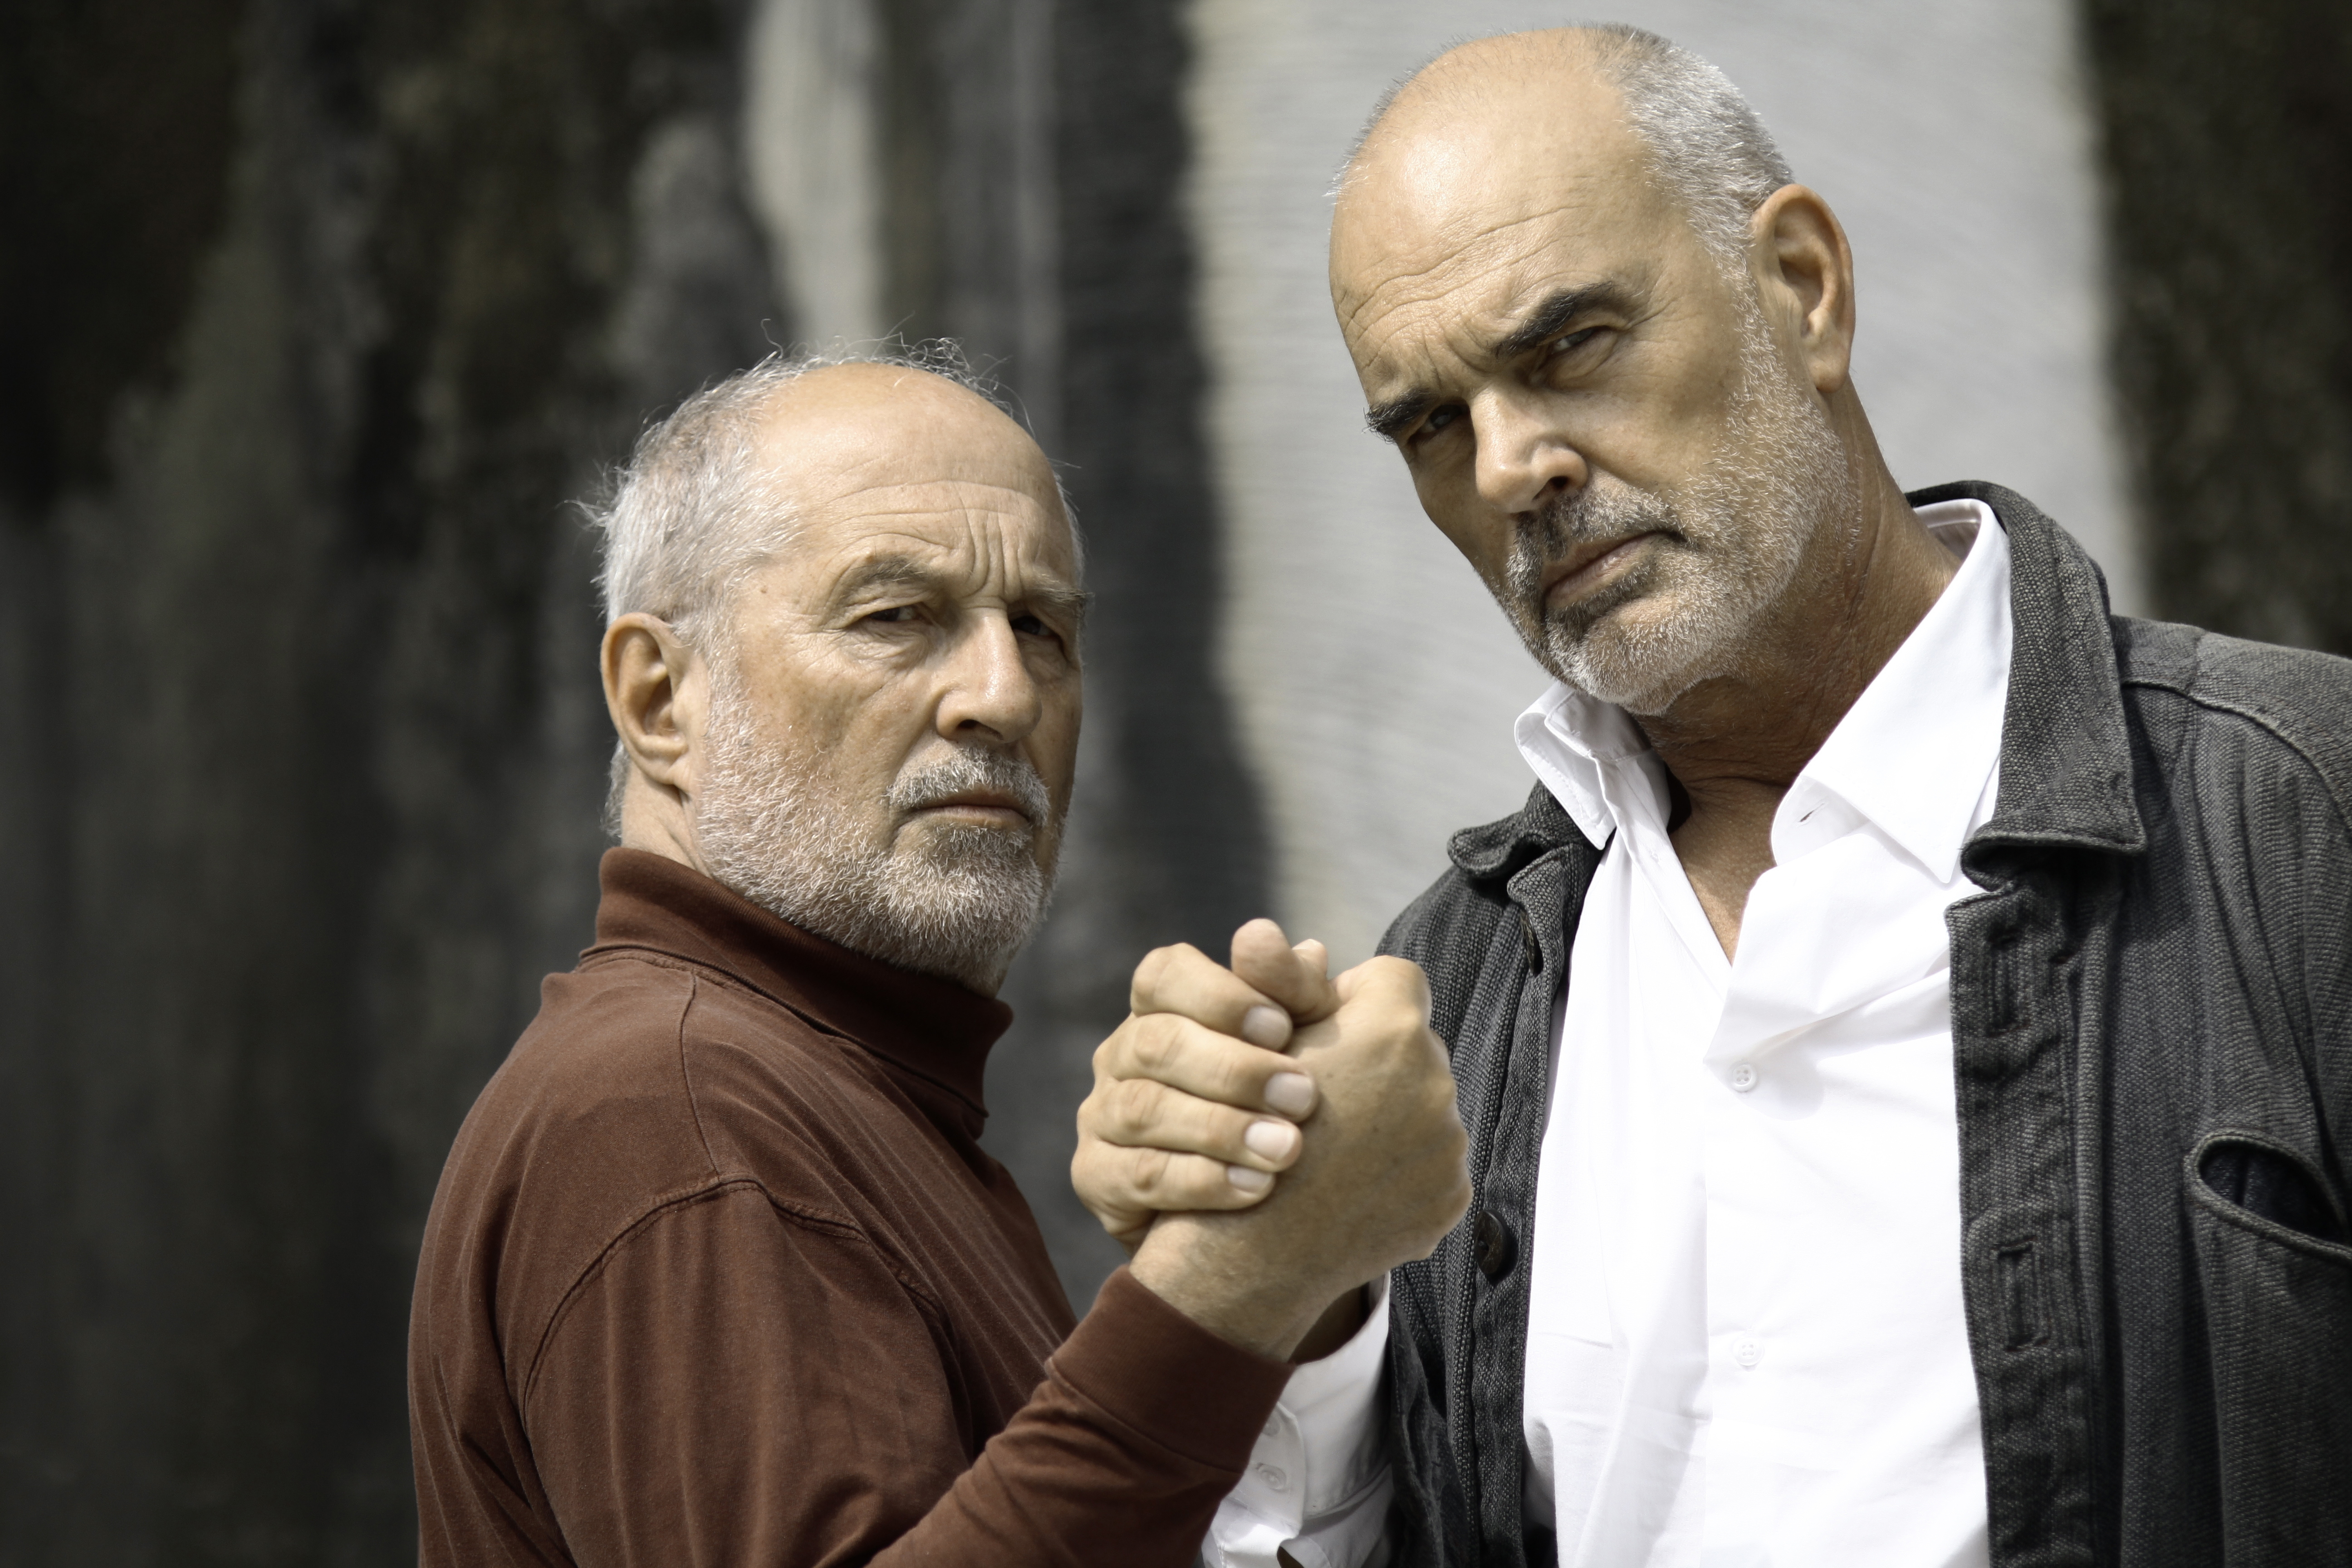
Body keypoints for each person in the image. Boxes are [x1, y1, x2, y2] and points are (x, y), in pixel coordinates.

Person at [1074, 24, 2352, 1568]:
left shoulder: (2300, 819)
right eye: (1431, 425)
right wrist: (1297, 1294)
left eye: (1568, 346)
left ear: (1803, 288)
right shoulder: (1456, 989)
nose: (1509, 467)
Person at [405, 349, 1473, 1566]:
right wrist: (1240, 1283)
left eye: (1042, 629)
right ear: (660, 702)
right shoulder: (676, 1116)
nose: (1003, 695)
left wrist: (1303, 1279)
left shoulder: (813, 1093)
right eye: (896, 617)